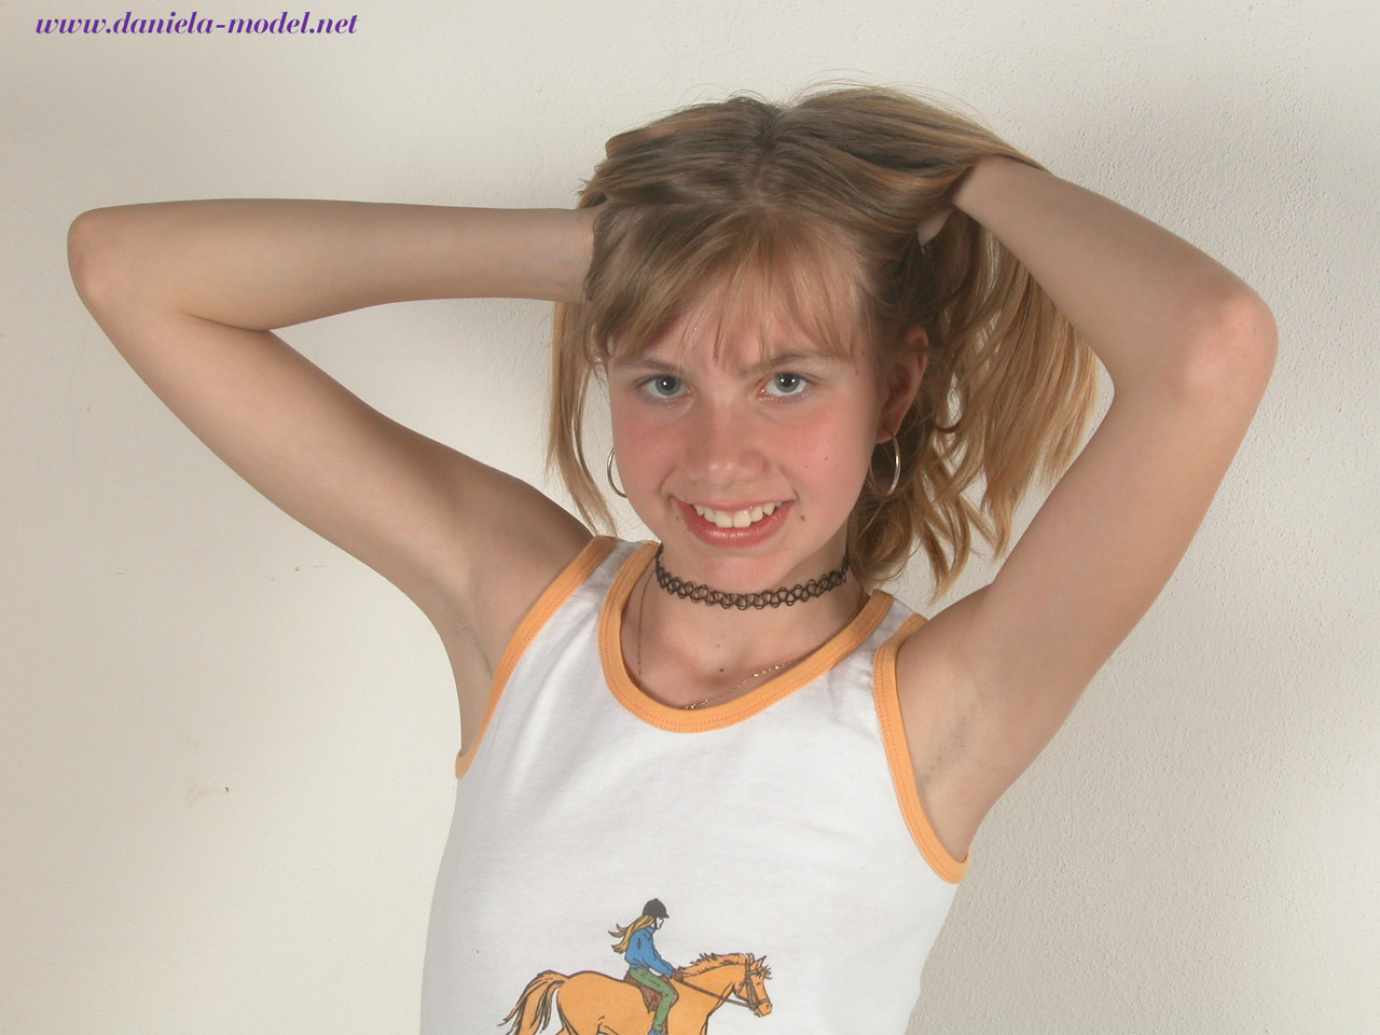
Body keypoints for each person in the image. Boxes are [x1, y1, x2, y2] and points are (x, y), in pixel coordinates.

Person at [66, 85, 1276, 1033]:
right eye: (661, 380)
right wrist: (622, 260)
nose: (719, 456)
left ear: (895, 389)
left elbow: (1212, 345)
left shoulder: (937, 711)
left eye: (786, 380)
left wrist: (956, 175)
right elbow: (129, 269)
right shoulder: (524, 616)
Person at [611, 899, 678, 1034]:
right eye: (660, 918)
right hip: (640, 972)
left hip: (641, 971)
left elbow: (656, 957)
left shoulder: (646, 934)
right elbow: (650, 959)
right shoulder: (642, 935)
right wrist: (670, 973)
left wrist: (671, 970)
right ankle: (656, 1030)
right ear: (652, 919)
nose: (662, 922)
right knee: (670, 993)